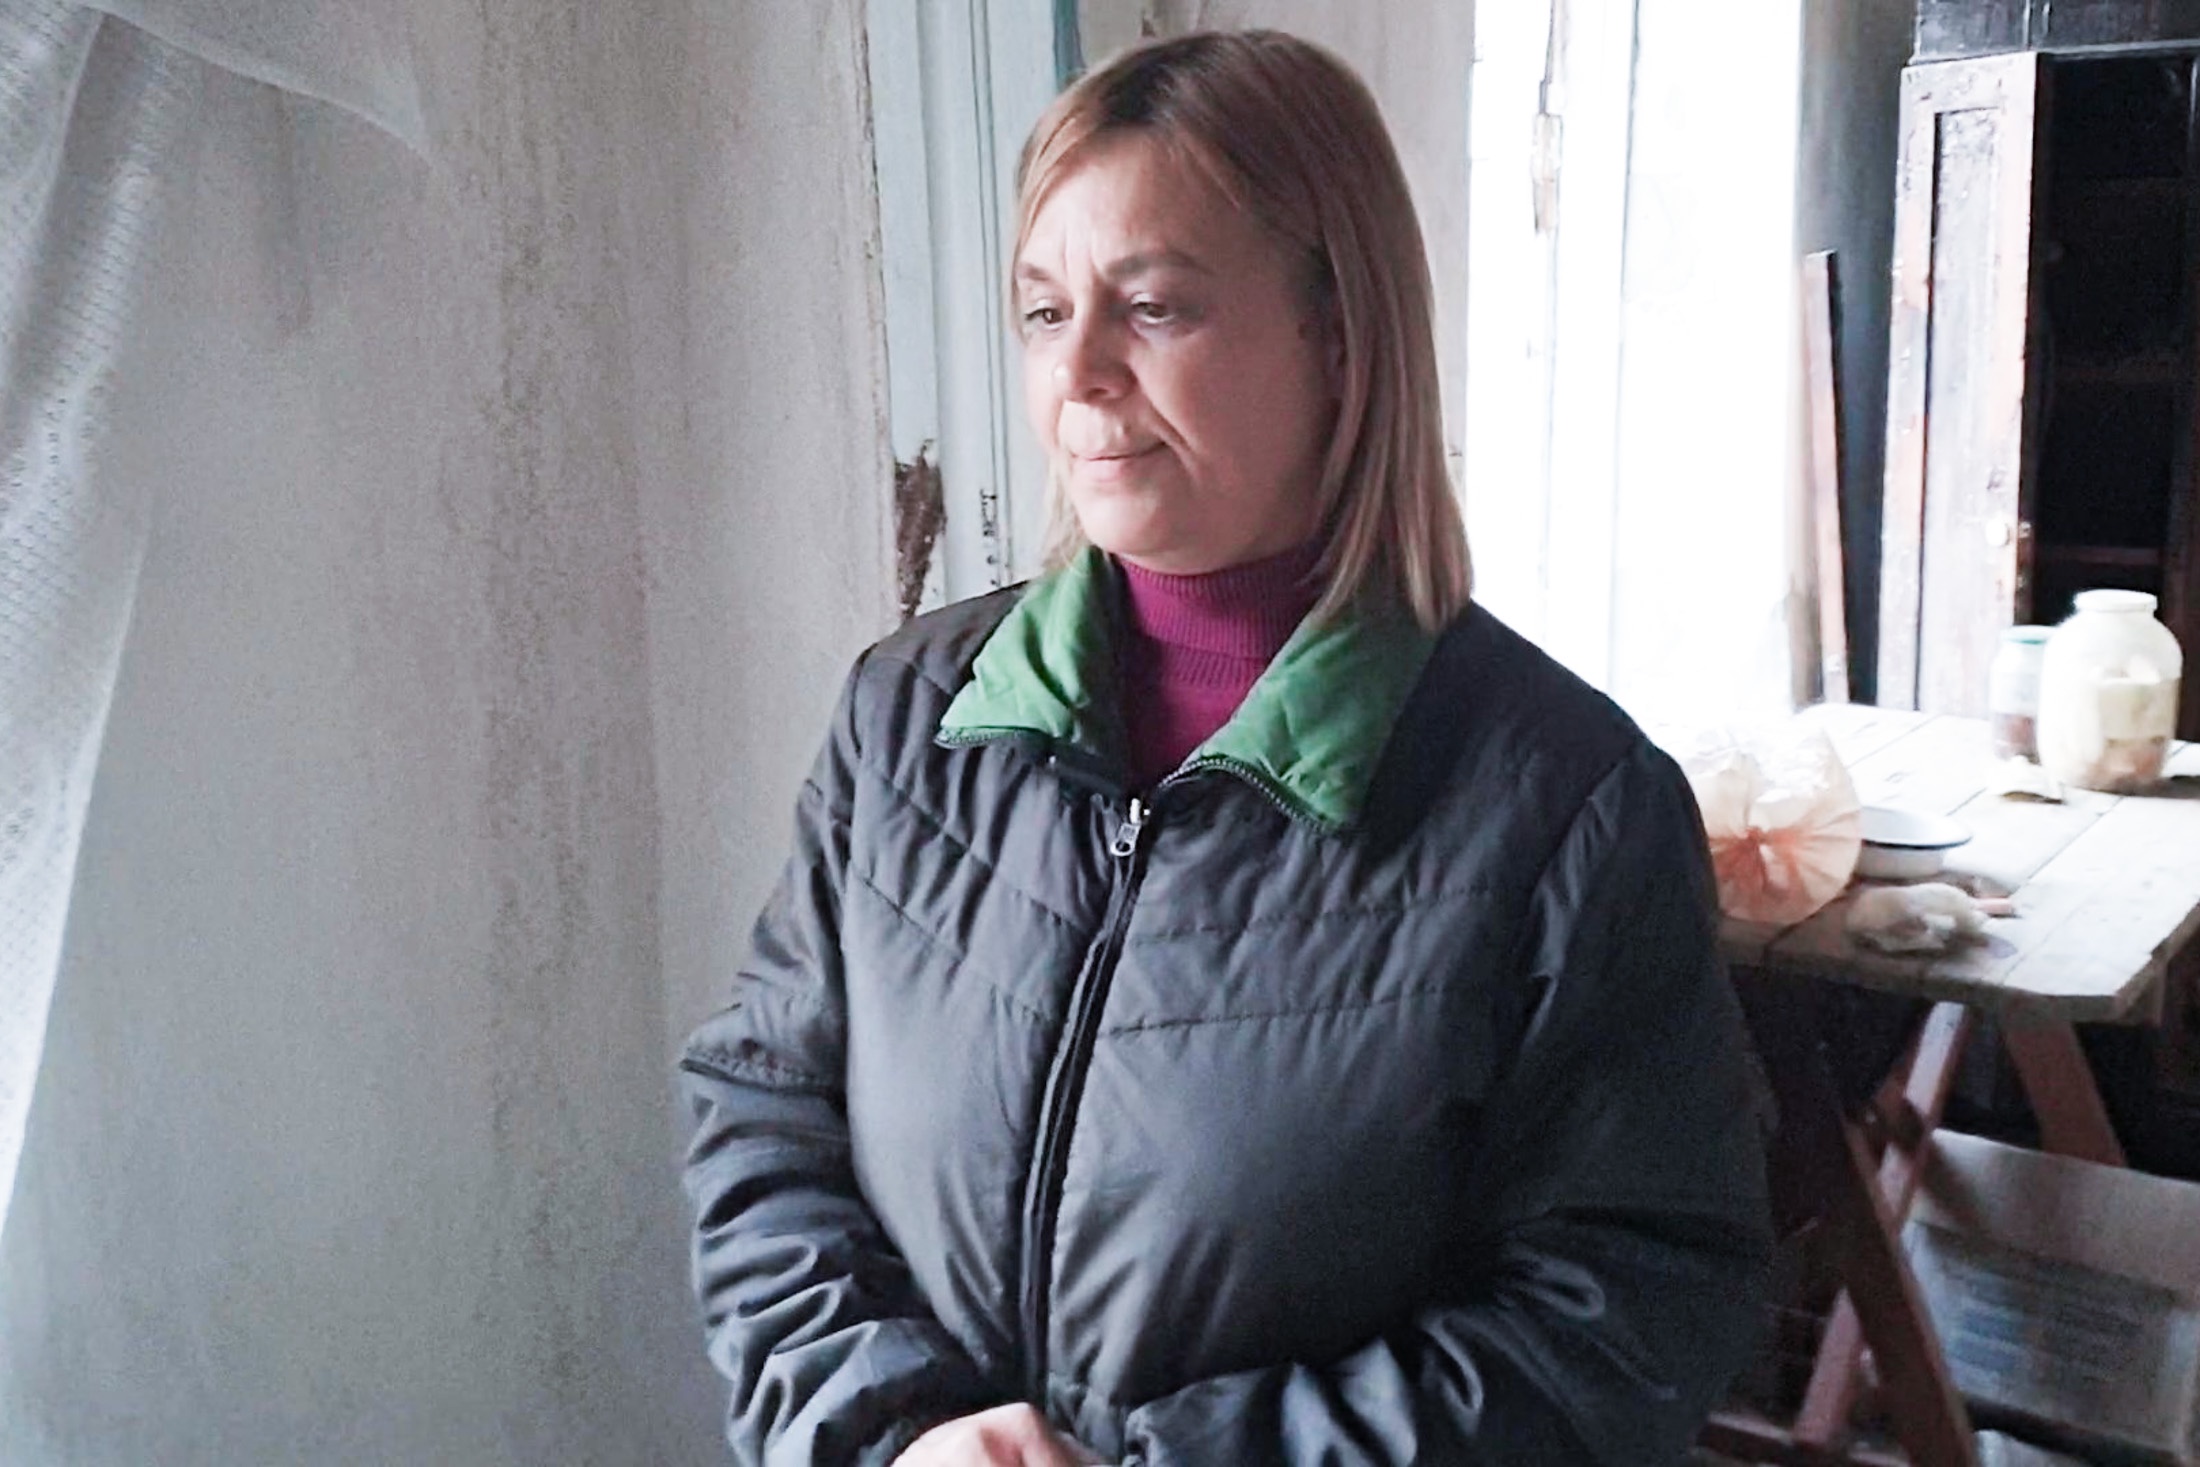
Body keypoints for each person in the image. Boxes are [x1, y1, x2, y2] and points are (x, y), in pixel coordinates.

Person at [681, 29, 1770, 1467]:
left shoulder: (1569, 811)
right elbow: (765, 1117)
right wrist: (895, 1430)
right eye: (1044, 310)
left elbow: (1623, 1313)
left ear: (1339, 337)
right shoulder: (910, 719)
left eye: (1153, 307)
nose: (1079, 372)